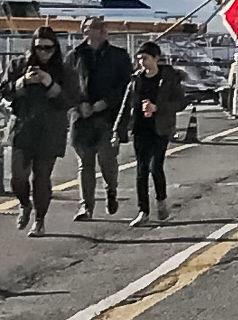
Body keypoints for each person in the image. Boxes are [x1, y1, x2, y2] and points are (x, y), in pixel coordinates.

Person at [7, 27, 78, 236]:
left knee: (42, 177)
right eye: (39, 48)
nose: (43, 52)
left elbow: (70, 100)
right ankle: (24, 203)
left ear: (55, 48)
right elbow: (4, 90)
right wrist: (23, 82)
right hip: (23, 127)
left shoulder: (64, 71)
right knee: (18, 177)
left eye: (48, 48)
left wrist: (49, 83)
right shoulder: (18, 65)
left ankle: (40, 219)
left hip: (50, 130)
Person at [67, 16, 132, 221]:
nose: (91, 31)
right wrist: (80, 104)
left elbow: (126, 86)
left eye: (96, 27)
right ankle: (86, 206)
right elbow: (68, 84)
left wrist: (105, 102)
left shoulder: (119, 56)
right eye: (87, 28)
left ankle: (111, 190)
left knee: (107, 160)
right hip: (81, 118)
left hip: (108, 117)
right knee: (84, 163)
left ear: (104, 31)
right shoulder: (74, 55)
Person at [114, 42, 186, 225]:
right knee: (141, 169)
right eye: (139, 58)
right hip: (140, 128)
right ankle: (143, 210)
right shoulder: (136, 80)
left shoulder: (168, 79)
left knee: (156, 167)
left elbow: (180, 102)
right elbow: (125, 106)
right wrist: (117, 130)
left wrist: (158, 107)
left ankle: (161, 201)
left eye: (145, 58)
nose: (142, 62)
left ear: (156, 58)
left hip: (160, 128)